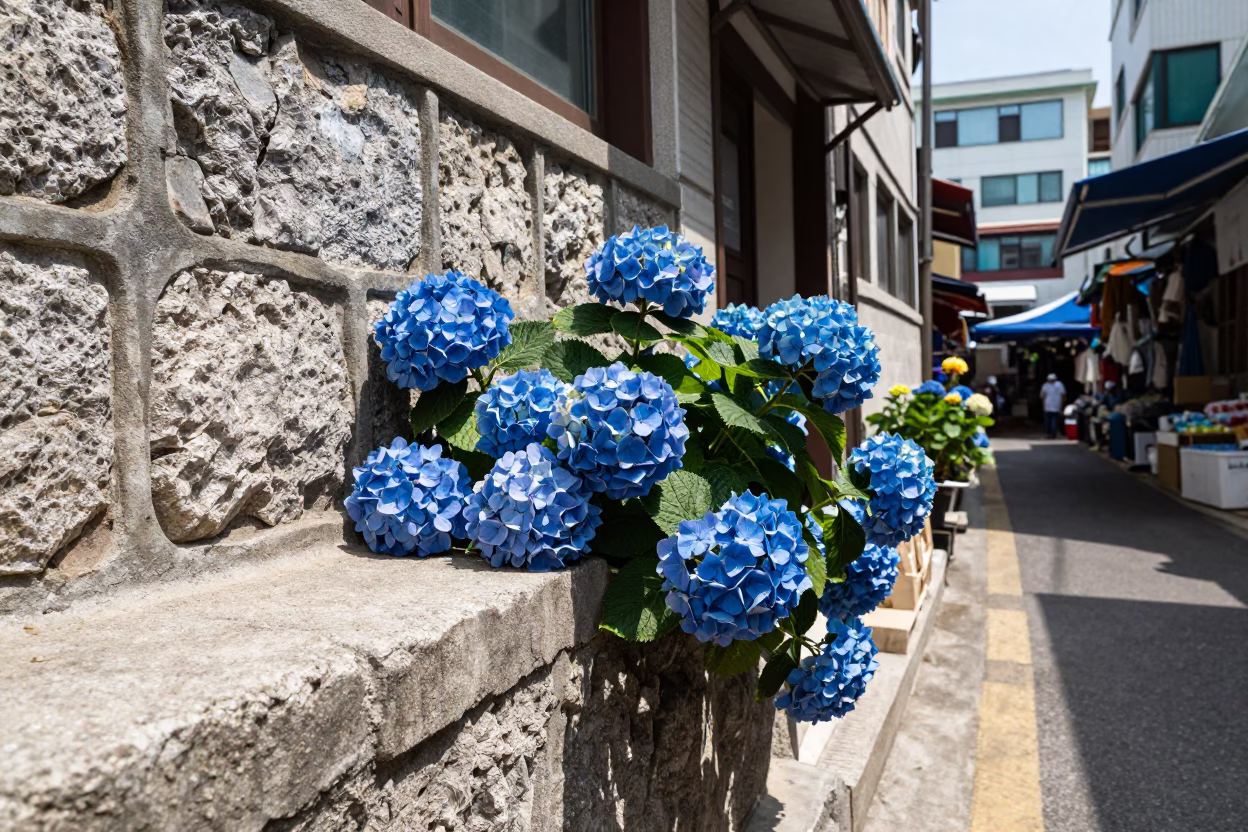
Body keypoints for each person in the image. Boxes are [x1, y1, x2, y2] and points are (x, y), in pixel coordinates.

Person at [1040, 373, 1067, 439]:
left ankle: (1048, 433)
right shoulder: (1059, 385)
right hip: (1056, 405)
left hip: (1048, 405)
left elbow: (1042, 396)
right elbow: (1063, 395)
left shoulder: (1045, 385)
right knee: (1053, 420)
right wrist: (1062, 405)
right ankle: (1053, 434)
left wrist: (1043, 403)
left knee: (1048, 420)